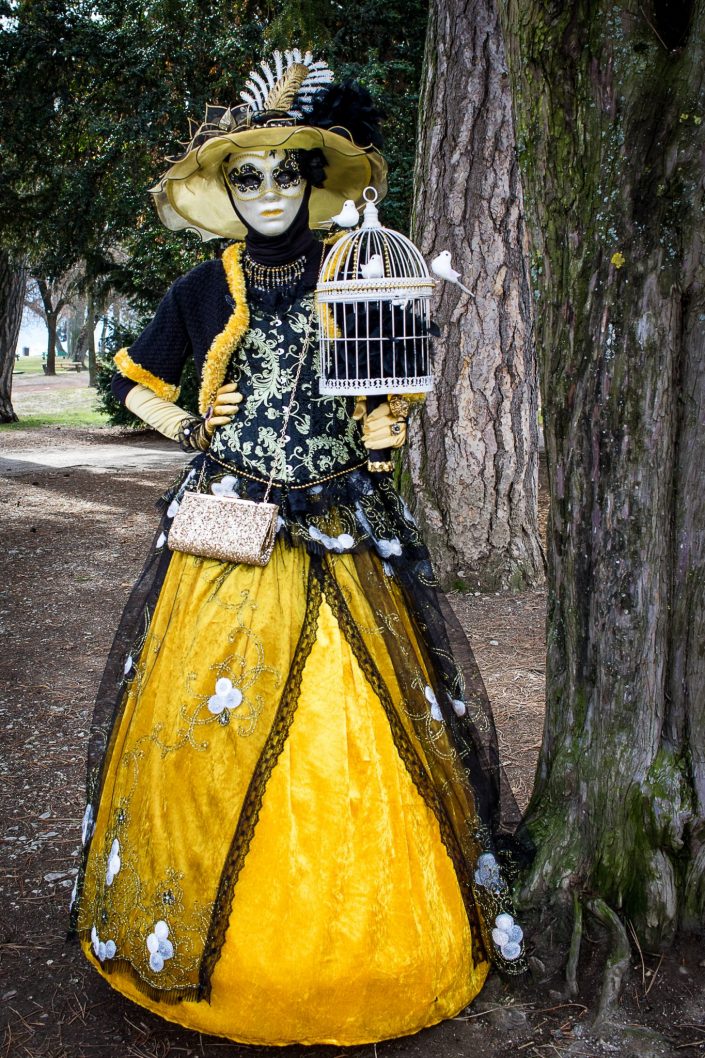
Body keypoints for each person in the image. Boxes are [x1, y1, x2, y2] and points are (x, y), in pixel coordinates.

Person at [69, 49, 529, 1047]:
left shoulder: (353, 266)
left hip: (340, 521)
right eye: (249, 175)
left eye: (289, 172)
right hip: (229, 524)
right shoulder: (202, 286)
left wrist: (385, 425)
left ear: (316, 181)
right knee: (205, 712)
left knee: (363, 713)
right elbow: (136, 379)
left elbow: (396, 367)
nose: (271, 190)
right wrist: (188, 417)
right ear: (227, 188)